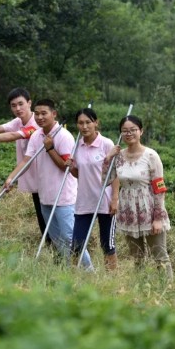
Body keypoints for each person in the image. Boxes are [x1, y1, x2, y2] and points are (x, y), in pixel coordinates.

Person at [4, 99, 91, 268]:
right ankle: (68, 271)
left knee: (71, 238)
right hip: (45, 197)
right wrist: (11, 178)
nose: (40, 117)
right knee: (57, 240)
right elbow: (26, 160)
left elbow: (65, 167)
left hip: (64, 198)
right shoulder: (36, 135)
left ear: (54, 114)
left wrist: (50, 148)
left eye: (44, 113)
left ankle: (89, 271)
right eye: (37, 114)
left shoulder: (64, 136)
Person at [0, 87, 50, 243]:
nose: (18, 108)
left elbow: (13, 135)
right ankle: (48, 243)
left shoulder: (36, 123)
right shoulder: (18, 121)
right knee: (41, 212)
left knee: (48, 213)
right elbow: (0, 129)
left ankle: (56, 243)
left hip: (46, 175)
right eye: (14, 105)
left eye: (21, 104)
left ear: (29, 103)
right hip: (33, 175)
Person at [103, 115, 173, 280]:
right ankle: (140, 287)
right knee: (137, 257)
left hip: (149, 209)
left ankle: (168, 288)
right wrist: (108, 158)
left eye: (133, 130)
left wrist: (158, 218)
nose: (129, 134)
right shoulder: (119, 157)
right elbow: (105, 180)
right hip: (128, 211)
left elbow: (159, 188)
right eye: (125, 131)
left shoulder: (151, 155)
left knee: (160, 256)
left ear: (141, 131)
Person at [66, 108, 119, 271]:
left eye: (88, 122)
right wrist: (71, 168)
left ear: (96, 123)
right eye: (80, 123)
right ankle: (74, 277)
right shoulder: (77, 146)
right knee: (77, 244)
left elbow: (115, 174)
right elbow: (79, 174)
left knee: (107, 244)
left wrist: (115, 199)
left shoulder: (106, 144)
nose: (84, 126)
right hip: (84, 201)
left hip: (105, 201)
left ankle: (112, 279)